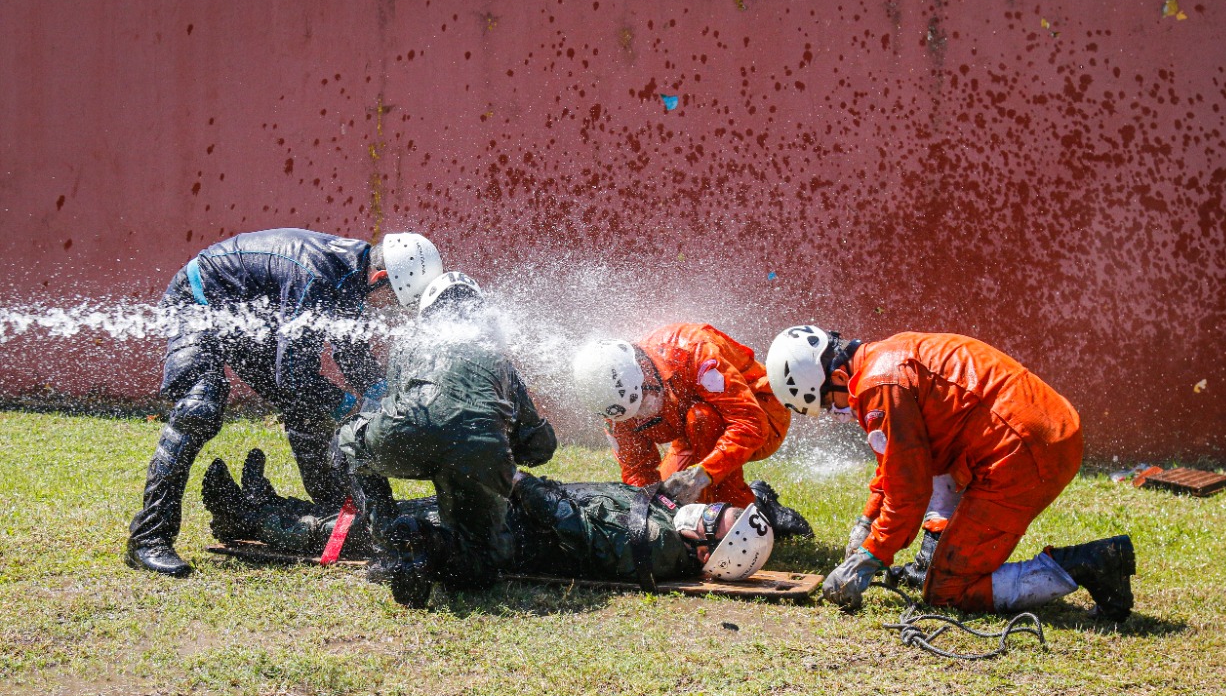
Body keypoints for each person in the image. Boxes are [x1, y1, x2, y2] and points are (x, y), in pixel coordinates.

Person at [126, 228, 443, 577]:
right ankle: (148, 538)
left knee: (305, 406)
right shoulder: (316, 276)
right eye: (394, 300)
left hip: (246, 313)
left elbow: (350, 352)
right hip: (199, 300)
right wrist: (350, 405)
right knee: (200, 406)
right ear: (380, 277)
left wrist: (382, 392)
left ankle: (330, 510)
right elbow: (291, 375)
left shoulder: (354, 275)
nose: (392, 311)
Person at [765, 326, 1137, 621]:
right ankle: (935, 554)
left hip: (1022, 451)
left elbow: (908, 492)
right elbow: (897, 461)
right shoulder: (880, 360)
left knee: (947, 591)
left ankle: (1091, 564)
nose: (836, 412)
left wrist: (870, 556)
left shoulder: (879, 386)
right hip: (1035, 430)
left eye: (829, 402)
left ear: (831, 377)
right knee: (934, 524)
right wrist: (867, 519)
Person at [200, 451, 775, 592]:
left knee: (383, 530)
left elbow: (576, 527)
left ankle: (246, 518)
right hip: (507, 516)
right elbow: (618, 500)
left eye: (722, 520)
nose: (717, 508)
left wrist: (520, 484)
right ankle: (272, 506)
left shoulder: (655, 549)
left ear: (708, 554)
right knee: (397, 512)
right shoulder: (668, 526)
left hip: (504, 534)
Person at [336, 271, 558, 607]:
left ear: (426, 314)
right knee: (481, 565)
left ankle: (387, 547)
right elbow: (540, 448)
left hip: (406, 439)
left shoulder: (406, 345)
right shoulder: (497, 357)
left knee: (349, 440)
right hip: (476, 454)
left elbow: (394, 407)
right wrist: (504, 446)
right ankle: (425, 542)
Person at [572, 324, 812, 537]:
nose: (642, 413)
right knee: (669, 505)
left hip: (762, 415)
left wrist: (702, 476)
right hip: (693, 432)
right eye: (633, 413)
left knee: (702, 420)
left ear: (643, 369)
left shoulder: (693, 351)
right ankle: (758, 503)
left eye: (644, 398)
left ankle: (746, 519)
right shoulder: (615, 409)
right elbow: (638, 473)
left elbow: (750, 423)